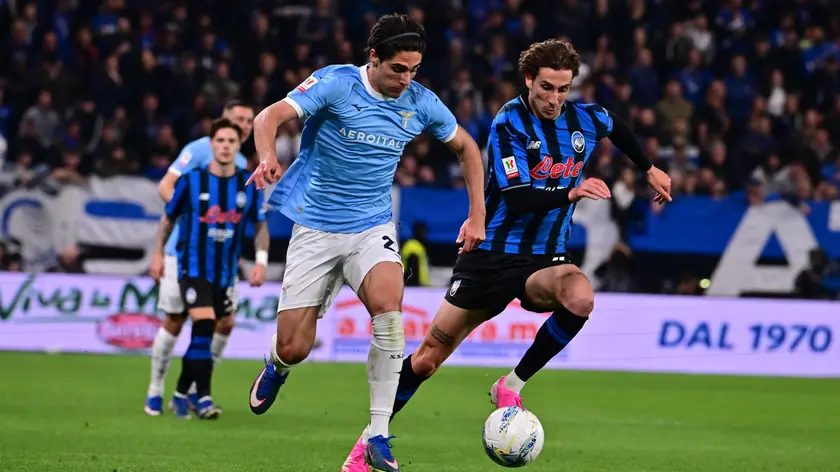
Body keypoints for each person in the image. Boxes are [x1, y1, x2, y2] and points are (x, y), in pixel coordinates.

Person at [340, 38, 673, 468]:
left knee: (581, 297)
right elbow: (516, 198)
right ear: (529, 80)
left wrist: (649, 168)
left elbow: (617, 126)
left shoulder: (585, 119)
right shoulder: (508, 122)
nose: (554, 99)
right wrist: (572, 192)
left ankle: (511, 384)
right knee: (426, 360)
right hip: (490, 256)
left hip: (545, 258)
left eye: (563, 89)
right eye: (546, 87)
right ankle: (365, 446)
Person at [245, 13, 486, 472]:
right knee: (295, 346)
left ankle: (378, 434)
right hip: (316, 227)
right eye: (398, 68)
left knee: (389, 310)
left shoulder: (421, 102)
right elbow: (268, 116)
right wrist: (267, 155)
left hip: (372, 226)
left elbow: (468, 148)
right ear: (373, 57)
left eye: (414, 69)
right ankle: (277, 364)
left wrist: (477, 215)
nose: (406, 79)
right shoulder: (336, 84)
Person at [149, 118, 268, 419]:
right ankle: (202, 397)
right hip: (192, 268)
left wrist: (261, 262)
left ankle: (180, 393)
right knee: (203, 324)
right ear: (211, 144)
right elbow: (168, 218)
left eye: (231, 141)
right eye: (220, 141)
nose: (225, 146)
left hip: (226, 273)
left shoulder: (248, 184)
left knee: (212, 330)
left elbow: (260, 225)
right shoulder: (191, 181)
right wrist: (158, 254)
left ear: (239, 146)